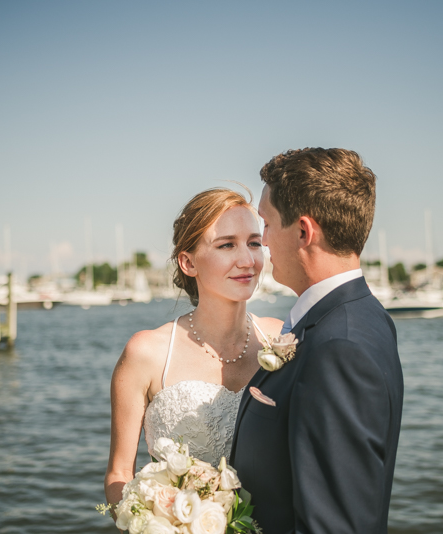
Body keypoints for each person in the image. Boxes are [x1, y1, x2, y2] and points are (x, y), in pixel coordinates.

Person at [231, 148, 404, 533]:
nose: (264, 240)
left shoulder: (340, 346)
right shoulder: (361, 316)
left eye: (267, 223)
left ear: (304, 232)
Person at [103, 187, 284, 514]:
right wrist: (154, 523)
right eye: (227, 244)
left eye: (254, 243)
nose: (247, 260)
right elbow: (119, 475)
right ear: (188, 262)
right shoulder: (146, 353)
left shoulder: (282, 339)